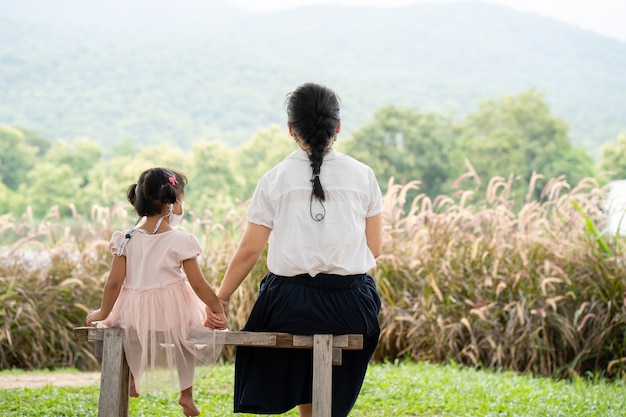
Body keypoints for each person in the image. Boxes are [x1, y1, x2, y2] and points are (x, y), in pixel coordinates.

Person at [207, 82, 383, 417]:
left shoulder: (274, 178)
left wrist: (223, 295)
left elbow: (249, 251)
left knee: (285, 312)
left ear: (291, 129)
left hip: (289, 306)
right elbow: (374, 249)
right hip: (351, 307)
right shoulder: (364, 175)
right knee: (346, 312)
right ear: (338, 127)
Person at [86, 167, 227, 417]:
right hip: (174, 310)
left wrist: (103, 312)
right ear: (170, 204)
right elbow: (198, 285)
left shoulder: (125, 238)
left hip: (133, 310)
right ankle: (186, 395)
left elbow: (114, 283)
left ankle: (131, 376)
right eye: (181, 199)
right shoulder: (181, 240)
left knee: (129, 331)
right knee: (186, 339)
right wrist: (216, 309)